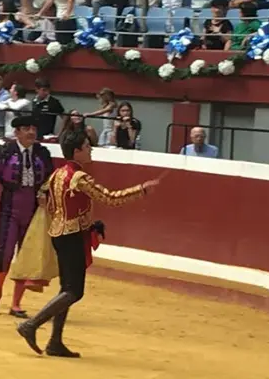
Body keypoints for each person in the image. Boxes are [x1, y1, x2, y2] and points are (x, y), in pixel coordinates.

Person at [15, 129, 161, 357]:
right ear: (77, 151)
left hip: (59, 233)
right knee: (74, 291)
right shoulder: (78, 177)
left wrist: (85, 223)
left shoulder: (58, 173)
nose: (91, 148)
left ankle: (55, 342)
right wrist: (140, 190)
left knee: (66, 289)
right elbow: (109, 198)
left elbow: (48, 202)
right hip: (71, 237)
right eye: (87, 146)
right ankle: (31, 325)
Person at [0, 116, 54, 318]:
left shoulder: (42, 153)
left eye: (33, 128)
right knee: (3, 253)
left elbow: (51, 179)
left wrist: (45, 195)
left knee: (26, 256)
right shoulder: (4, 151)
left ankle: (16, 303)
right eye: (26, 128)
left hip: (33, 211)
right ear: (16, 133)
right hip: (9, 208)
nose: (31, 132)